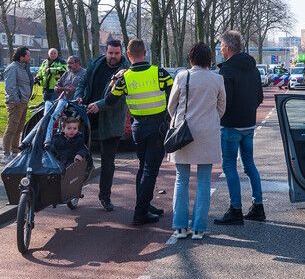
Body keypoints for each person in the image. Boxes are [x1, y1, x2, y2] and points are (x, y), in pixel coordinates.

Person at [104, 39, 174, 225]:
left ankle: (145, 205)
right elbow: (174, 93)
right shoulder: (159, 73)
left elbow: (109, 101)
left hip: (138, 127)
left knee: (143, 168)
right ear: (145, 53)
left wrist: (114, 79)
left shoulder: (124, 78)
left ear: (128, 55)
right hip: (157, 127)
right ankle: (140, 212)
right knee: (150, 171)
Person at [168, 42, 226, 240]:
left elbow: (171, 106)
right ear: (209, 59)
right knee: (203, 181)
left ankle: (180, 227)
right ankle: (199, 228)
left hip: (183, 133)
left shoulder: (182, 76)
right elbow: (222, 107)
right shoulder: (218, 79)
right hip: (208, 133)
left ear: (191, 58)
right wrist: (210, 118)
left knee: (181, 180)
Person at [214, 30, 265, 225]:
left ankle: (235, 209)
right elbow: (259, 97)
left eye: (221, 45)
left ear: (227, 47)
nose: (220, 49)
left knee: (229, 166)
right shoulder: (253, 68)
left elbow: (224, 101)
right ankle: (258, 206)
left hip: (231, 126)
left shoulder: (226, 70)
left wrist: (220, 117)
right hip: (249, 123)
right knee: (249, 165)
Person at [76, 39, 130, 212]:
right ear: (105, 52)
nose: (113, 56)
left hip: (111, 122)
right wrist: (79, 96)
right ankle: (74, 193)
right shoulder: (95, 64)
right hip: (87, 118)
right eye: (110, 53)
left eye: (116, 53)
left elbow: (118, 99)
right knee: (78, 157)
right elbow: (82, 83)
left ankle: (105, 197)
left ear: (121, 53)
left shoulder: (126, 71)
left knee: (108, 162)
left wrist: (98, 105)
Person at [2, 47, 33, 164]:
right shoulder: (13, 68)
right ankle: (6, 154)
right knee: (11, 128)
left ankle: (15, 152)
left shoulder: (24, 68)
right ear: (22, 57)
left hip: (24, 102)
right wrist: (17, 100)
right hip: (16, 103)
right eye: (28, 55)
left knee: (19, 128)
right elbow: (10, 87)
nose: (30, 58)